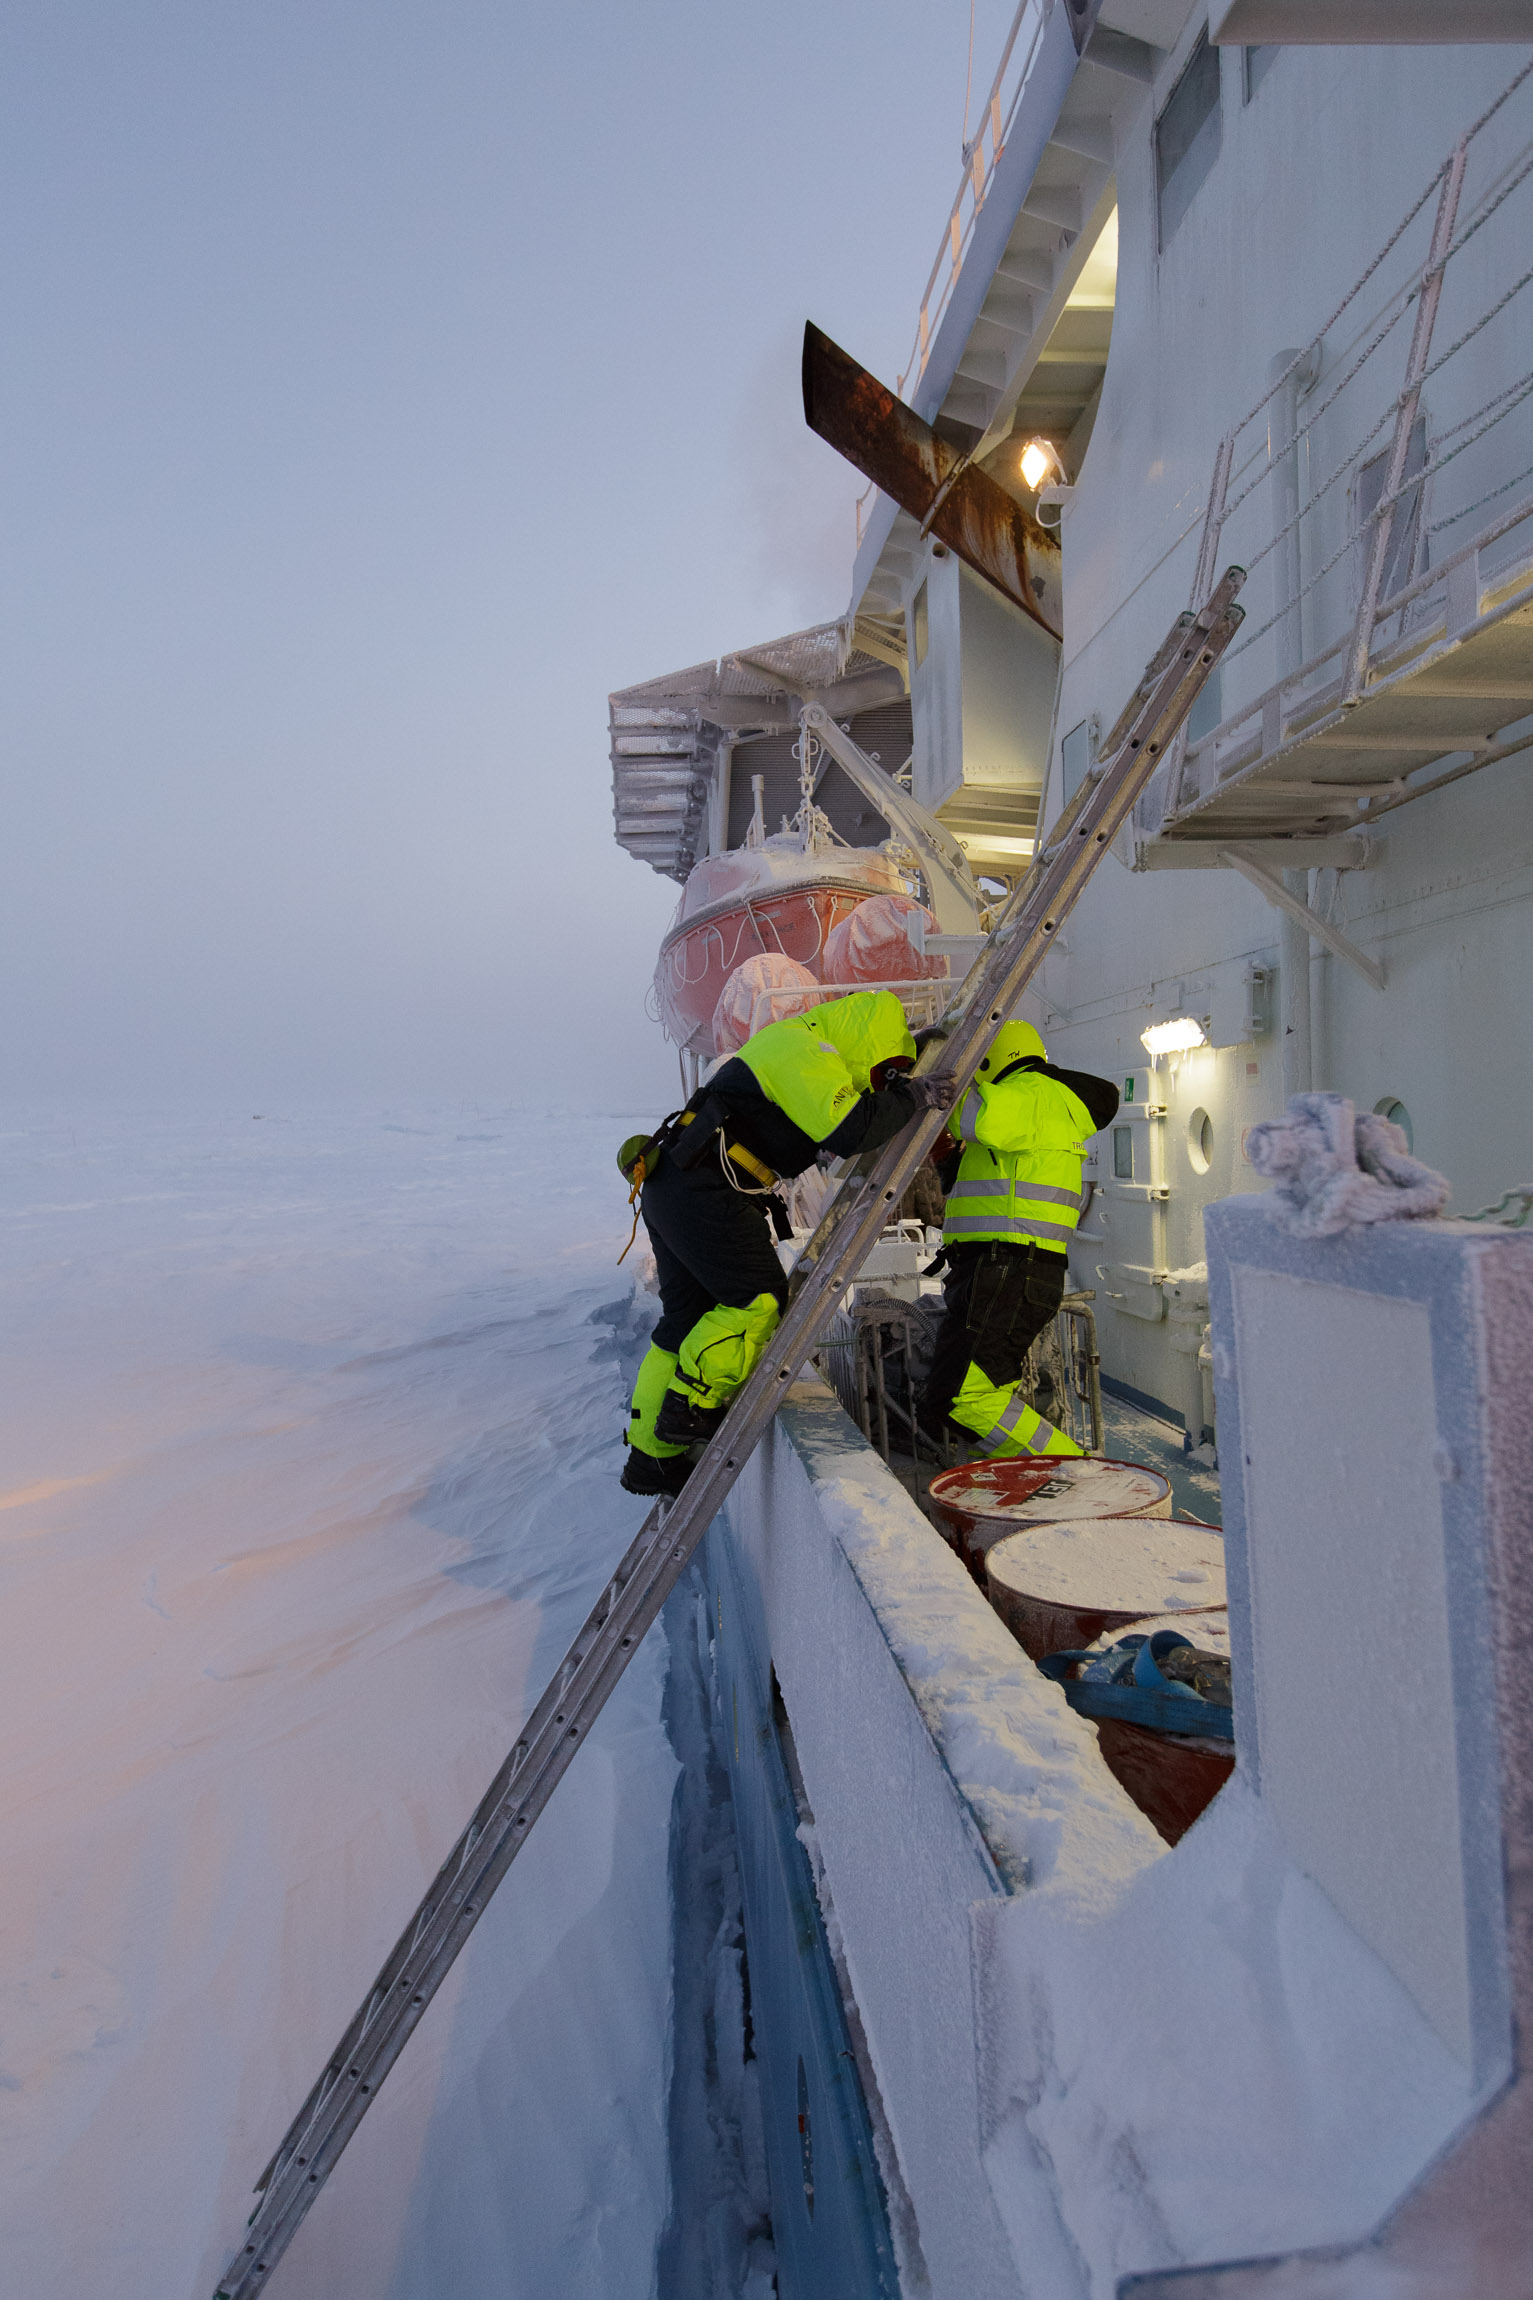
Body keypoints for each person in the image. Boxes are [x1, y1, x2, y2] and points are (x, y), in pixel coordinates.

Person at [621, 990, 947, 1496]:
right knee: (758, 1298)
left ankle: (651, 1458)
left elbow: (853, 1100)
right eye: (889, 1067)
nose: (887, 1080)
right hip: (703, 1187)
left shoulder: (801, 1045)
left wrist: (898, 1071)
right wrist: (913, 1095)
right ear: (869, 1042)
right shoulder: (806, 1051)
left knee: (685, 1319)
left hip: (676, 1181)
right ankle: (689, 1412)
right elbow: (850, 1129)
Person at [922, 1019, 1118, 1460]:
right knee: (985, 1393)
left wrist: (928, 1082)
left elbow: (973, 1114)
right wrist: (947, 1158)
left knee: (962, 1398)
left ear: (991, 1058)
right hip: (1001, 1269)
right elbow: (991, 1185)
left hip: (1008, 1269)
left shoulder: (1034, 1093)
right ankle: (1036, 1478)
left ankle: (1076, 1475)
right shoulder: (1033, 1104)